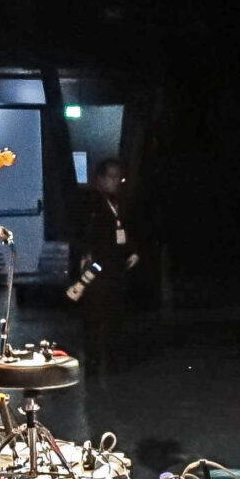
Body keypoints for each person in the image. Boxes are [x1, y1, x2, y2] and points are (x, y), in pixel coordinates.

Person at [74, 159, 142, 377]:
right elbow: (82, 232)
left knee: (116, 316)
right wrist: (85, 254)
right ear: (100, 179)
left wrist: (132, 251)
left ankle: (114, 360)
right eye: (111, 177)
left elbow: (127, 229)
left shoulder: (121, 203)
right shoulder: (90, 203)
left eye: (118, 177)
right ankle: (93, 362)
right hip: (96, 267)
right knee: (94, 316)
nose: (116, 181)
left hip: (116, 267)